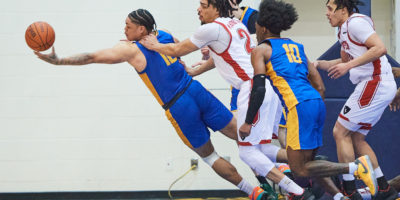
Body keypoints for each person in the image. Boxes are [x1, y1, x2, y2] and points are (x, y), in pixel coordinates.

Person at [34, 8, 270, 200]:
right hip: (197, 91)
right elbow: (184, 47)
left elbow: (93, 57)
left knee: (209, 156)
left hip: (179, 106)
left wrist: (59, 61)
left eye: (128, 26)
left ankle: (255, 194)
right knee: (246, 137)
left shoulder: (131, 50)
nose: (123, 29)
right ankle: (277, 178)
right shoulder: (164, 35)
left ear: (141, 29)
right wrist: (205, 51)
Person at [139, 0, 315, 199]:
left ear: (216, 7)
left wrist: (155, 45)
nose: (199, 9)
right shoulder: (235, 23)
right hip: (267, 86)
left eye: (204, 5)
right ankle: (305, 164)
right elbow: (221, 57)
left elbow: (177, 50)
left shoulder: (211, 29)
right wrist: (196, 70)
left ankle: (299, 192)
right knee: (262, 148)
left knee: (247, 152)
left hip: (252, 88)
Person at [240, 1, 379, 200]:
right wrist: (313, 107)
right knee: (311, 165)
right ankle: (341, 197)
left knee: (300, 169)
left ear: (262, 27)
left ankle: (355, 167)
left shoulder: (260, 50)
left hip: (299, 106)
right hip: (316, 102)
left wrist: (247, 122)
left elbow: (259, 89)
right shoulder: (297, 47)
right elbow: (320, 86)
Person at [315, 0, 398, 199]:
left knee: (339, 132)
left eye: (330, 8)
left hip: (375, 82)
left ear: (343, 10)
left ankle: (350, 189)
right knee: (356, 137)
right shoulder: (344, 29)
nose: (326, 13)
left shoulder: (355, 23)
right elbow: (344, 60)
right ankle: (384, 188)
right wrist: (318, 63)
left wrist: (348, 67)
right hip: (375, 84)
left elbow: (379, 48)